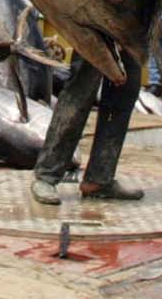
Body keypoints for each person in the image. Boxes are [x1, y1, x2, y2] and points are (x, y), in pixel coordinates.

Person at [30, 47, 144, 206]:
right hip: (95, 33)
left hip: (133, 36)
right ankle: (46, 176)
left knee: (125, 92)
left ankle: (99, 179)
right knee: (80, 90)